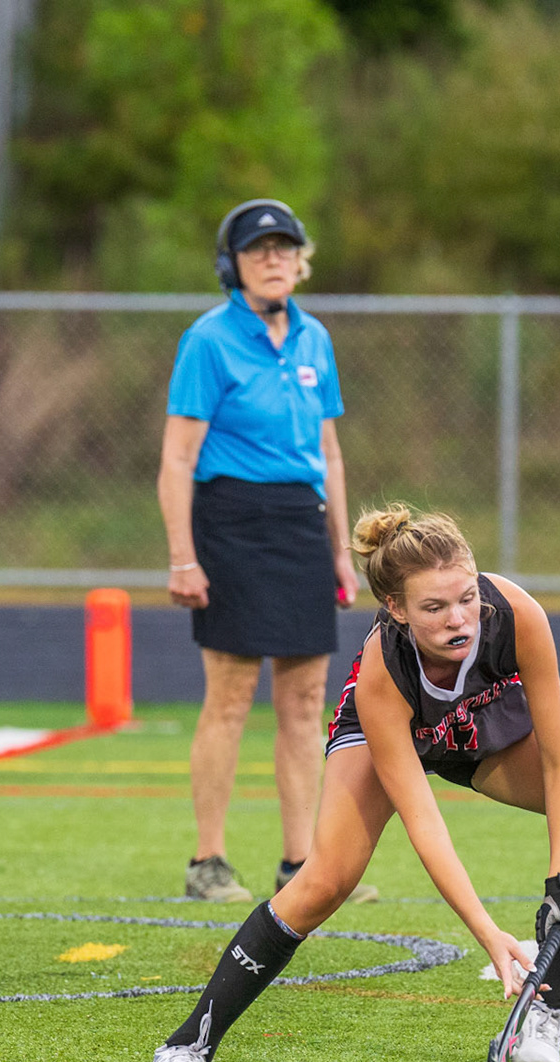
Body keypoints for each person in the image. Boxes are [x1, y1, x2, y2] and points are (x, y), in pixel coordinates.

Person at [142, 504, 560, 1062]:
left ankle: (543, 1012)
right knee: (324, 882)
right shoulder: (383, 671)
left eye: (466, 598)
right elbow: (423, 821)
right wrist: (488, 932)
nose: (458, 620)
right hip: (395, 730)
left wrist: (559, 878)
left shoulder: (518, 615)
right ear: (397, 608)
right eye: (434, 608)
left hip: (479, 718)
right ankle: (187, 1046)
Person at [157, 198, 370, 905]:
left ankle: (302, 862)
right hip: (232, 522)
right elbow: (178, 458)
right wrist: (183, 556)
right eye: (258, 249)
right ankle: (208, 862)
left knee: (306, 701)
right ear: (233, 265)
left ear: (301, 261)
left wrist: (339, 549)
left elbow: (330, 453)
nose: (273, 259)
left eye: (284, 247)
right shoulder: (208, 341)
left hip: (300, 524)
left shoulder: (315, 339)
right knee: (230, 697)